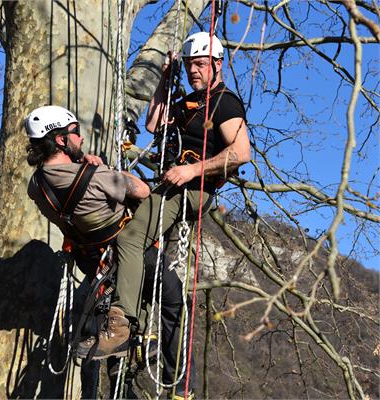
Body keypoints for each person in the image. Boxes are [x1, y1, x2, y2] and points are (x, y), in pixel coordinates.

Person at [113, 31, 252, 398]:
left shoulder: (224, 104)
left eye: (201, 64)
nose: (194, 71)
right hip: (172, 180)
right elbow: (154, 125)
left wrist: (191, 171)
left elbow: (240, 153)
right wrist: (165, 76)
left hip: (190, 187)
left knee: (130, 236)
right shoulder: (185, 102)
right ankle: (139, 312)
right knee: (132, 235)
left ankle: (121, 322)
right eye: (190, 65)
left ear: (217, 64)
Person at [25, 105, 195, 398]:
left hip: (93, 264)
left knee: (117, 312)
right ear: (62, 140)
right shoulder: (94, 175)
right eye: (75, 132)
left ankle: (124, 356)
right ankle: (178, 386)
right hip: (131, 254)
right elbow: (141, 190)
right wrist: (101, 168)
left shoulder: (37, 186)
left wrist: (89, 167)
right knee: (177, 302)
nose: (80, 138)